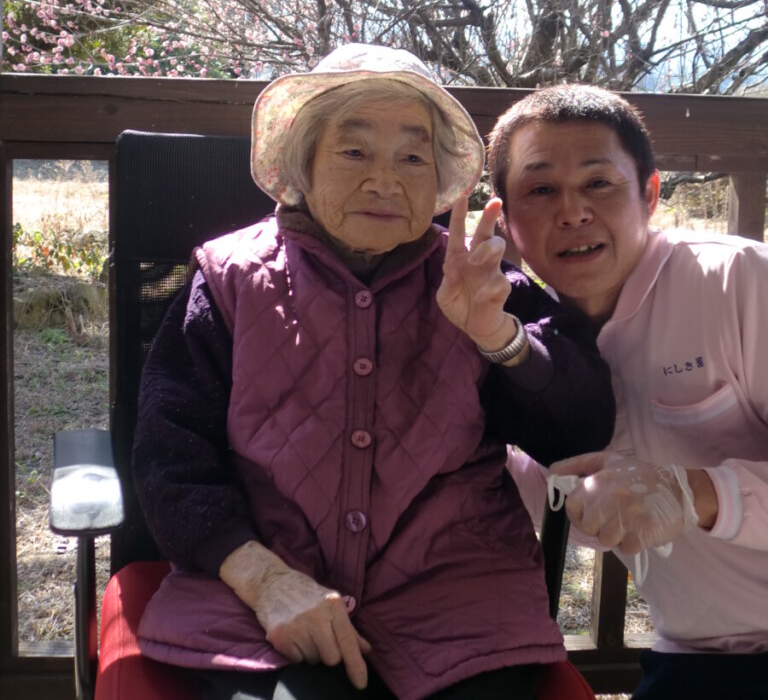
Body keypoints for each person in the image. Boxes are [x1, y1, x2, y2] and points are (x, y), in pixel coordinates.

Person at [131, 45, 614, 700]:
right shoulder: (228, 280)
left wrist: (498, 337)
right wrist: (264, 580)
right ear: (302, 163)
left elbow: (582, 428)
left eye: (412, 158)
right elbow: (169, 456)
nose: (385, 181)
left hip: (459, 604)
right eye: (354, 152)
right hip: (263, 600)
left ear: (438, 178)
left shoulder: (478, 278)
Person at [488, 83, 768, 700]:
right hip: (695, 658)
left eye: (599, 183)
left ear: (649, 193)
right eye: (541, 190)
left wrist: (695, 492)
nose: (573, 212)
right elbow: (580, 510)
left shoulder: (741, 280)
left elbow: (669, 499)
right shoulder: (523, 344)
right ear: (505, 219)